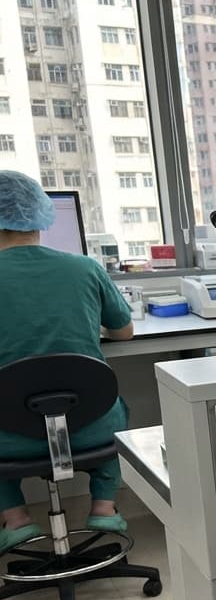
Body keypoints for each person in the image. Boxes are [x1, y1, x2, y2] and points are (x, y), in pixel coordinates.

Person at [0, 171, 134, 552]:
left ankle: (15, 517)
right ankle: (104, 506)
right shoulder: (86, 268)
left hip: (9, 440)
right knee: (113, 405)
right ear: (40, 218)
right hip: (89, 430)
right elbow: (124, 332)